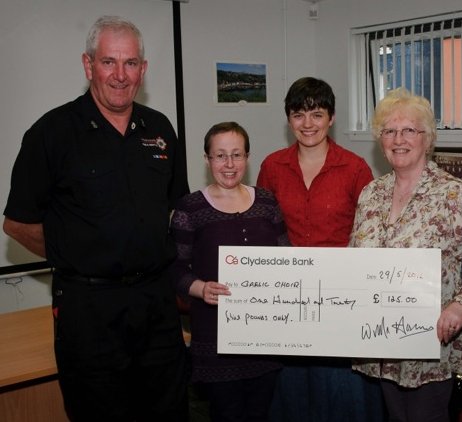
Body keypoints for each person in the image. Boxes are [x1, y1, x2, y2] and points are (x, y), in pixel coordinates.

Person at [2, 16, 189, 422]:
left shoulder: (159, 129)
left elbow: (177, 209)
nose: (120, 75)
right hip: (89, 311)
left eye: (131, 63)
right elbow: (16, 223)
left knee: (169, 411)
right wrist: (76, 253)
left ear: (144, 68)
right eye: (109, 62)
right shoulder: (50, 134)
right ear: (88, 65)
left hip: (157, 304)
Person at [257, 77, 381, 422]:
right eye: (299, 115)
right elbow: (261, 228)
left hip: (341, 297)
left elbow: (370, 232)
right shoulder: (272, 167)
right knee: (292, 394)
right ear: (288, 119)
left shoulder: (355, 168)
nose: (308, 124)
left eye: (317, 114)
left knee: (340, 393)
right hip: (287, 296)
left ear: (332, 117)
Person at [349, 87, 462, 422]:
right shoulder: (371, 194)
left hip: (432, 341)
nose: (398, 139)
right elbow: (353, 260)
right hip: (381, 342)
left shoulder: (454, 194)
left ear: (427, 137)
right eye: (389, 130)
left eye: (408, 130)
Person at [170, 121, 289, 422]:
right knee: (228, 414)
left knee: (261, 414)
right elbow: (175, 269)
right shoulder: (190, 208)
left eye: (237, 154)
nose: (229, 164)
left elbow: (287, 259)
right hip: (216, 343)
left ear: (247, 158)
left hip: (266, 341)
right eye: (220, 155)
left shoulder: (267, 202)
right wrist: (201, 288)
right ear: (207, 159)